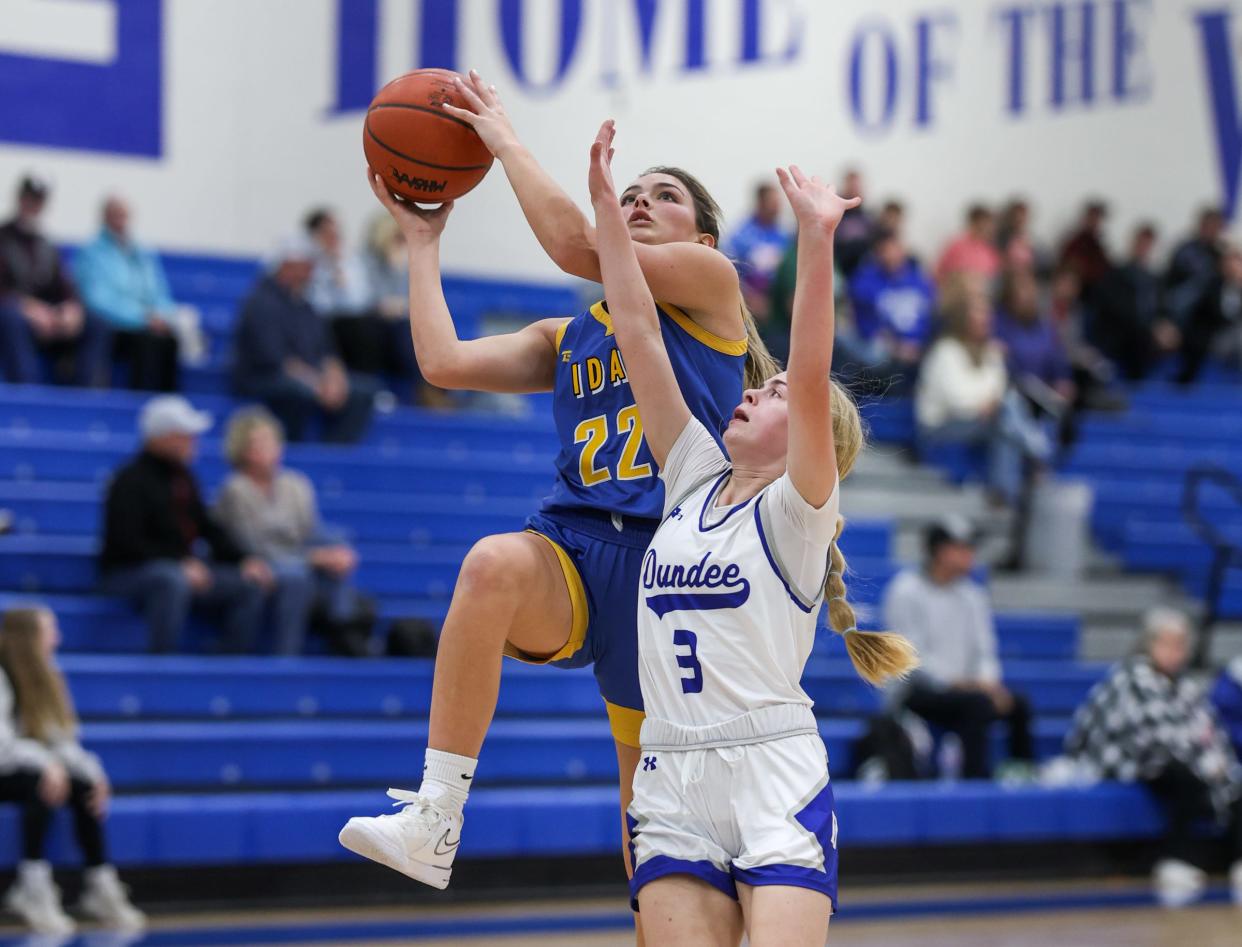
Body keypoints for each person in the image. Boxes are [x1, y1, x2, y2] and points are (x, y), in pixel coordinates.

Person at [338, 71, 779, 918]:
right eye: (636, 190)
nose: (643, 199)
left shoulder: (712, 287)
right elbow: (443, 363)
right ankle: (435, 813)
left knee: (649, 836)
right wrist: (423, 246)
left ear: (702, 234)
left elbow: (584, 245)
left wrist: (501, 137)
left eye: (666, 196)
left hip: (673, 574)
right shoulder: (569, 332)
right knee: (491, 565)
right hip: (575, 549)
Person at [591, 129, 917, 943]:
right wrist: (605, 207)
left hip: (771, 771)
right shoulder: (692, 476)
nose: (754, 392)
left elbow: (808, 371)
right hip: (670, 775)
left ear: (812, 440)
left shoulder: (797, 513)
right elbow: (636, 327)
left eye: (768, 395)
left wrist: (816, 238)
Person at [1065, 608, 1242, 908]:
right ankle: (1176, 858)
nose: (1177, 652)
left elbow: (1210, 731)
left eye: (1182, 644)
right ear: (1149, 643)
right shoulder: (1131, 678)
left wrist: (1217, 760)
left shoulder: (1185, 686)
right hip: (1125, 760)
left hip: (1180, 758)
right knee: (1183, 776)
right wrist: (1203, 761)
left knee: (1232, 776)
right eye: (1169, 643)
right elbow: (1146, 736)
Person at [0, 606, 145, 933]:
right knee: (42, 781)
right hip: (6, 765)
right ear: (28, 638)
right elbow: (2, 745)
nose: (58, 638)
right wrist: (46, 763)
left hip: (23, 765)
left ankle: (99, 882)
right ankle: (31, 886)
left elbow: (61, 740)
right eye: (50, 631)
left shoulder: (47, 675)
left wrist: (93, 772)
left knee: (81, 784)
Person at [98, 395, 271, 653]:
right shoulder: (129, 481)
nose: (193, 442)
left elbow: (208, 527)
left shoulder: (185, 478)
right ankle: (162, 663)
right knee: (171, 580)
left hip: (179, 568)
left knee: (248, 585)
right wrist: (178, 561)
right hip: (129, 573)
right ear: (162, 437)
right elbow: (125, 544)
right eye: (185, 435)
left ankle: (229, 661)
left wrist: (244, 559)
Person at [883, 517, 1034, 780]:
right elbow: (911, 657)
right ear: (940, 552)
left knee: (1018, 705)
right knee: (976, 705)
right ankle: (974, 780)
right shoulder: (905, 591)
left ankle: (1021, 776)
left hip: (969, 690)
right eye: (963, 548)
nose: (971, 555)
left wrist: (988, 683)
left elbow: (984, 650)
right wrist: (960, 684)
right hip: (916, 692)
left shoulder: (973, 596)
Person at [214, 407, 362, 655]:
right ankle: (286, 655)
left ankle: (343, 633)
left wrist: (335, 552)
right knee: (296, 577)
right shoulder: (235, 489)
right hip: (260, 563)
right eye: (260, 443)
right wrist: (313, 558)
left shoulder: (296, 483)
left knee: (340, 551)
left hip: (297, 557)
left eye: (272, 440)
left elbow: (311, 530)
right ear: (243, 449)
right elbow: (251, 544)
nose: (270, 448)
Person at [232, 234, 378, 443]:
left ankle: (335, 452)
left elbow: (327, 350)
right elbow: (274, 359)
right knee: (297, 393)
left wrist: (335, 379)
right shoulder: (260, 303)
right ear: (287, 265)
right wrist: (317, 384)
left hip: (310, 377)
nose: (311, 271)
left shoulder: (306, 304)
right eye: (306, 265)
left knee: (365, 391)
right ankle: (293, 447)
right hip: (263, 377)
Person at [916, 284, 1051, 506]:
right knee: (1006, 419)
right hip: (939, 427)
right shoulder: (945, 350)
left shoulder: (992, 352)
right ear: (964, 318)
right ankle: (1036, 450)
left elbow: (998, 390)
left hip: (984, 421)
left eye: (987, 314)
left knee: (1005, 422)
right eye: (979, 314)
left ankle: (1002, 492)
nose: (986, 320)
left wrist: (990, 403)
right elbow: (956, 399)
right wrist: (987, 403)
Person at [0, 176, 109, 386]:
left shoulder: (46, 245)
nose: (33, 206)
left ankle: (84, 395)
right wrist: (29, 308)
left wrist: (71, 308)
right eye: (30, 199)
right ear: (20, 199)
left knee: (96, 323)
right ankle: (27, 393)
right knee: (12, 318)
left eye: (39, 201)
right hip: (15, 316)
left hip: (47, 319)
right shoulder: (3, 238)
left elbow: (63, 285)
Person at [73, 195, 189, 391]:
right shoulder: (91, 253)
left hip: (148, 323)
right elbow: (98, 300)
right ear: (105, 218)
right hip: (116, 327)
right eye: (116, 216)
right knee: (147, 341)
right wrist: (142, 318)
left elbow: (160, 292)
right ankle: (139, 401)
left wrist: (163, 316)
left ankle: (168, 402)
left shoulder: (143, 254)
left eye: (124, 216)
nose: (120, 222)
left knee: (170, 341)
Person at [840, 227, 935, 390]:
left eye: (894, 249)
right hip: (886, 348)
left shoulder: (919, 280)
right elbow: (866, 325)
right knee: (874, 351)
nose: (890, 255)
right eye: (884, 251)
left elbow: (930, 319)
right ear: (877, 254)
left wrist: (920, 345)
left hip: (918, 348)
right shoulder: (865, 281)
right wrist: (897, 347)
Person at [365, 212, 435, 405]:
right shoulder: (367, 262)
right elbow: (369, 299)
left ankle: (430, 386)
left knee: (412, 329)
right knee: (403, 331)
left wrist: (398, 268)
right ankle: (426, 387)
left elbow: (409, 301)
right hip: (372, 322)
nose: (401, 243)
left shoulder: (402, 263)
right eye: (397, 238)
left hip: (397, 323)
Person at [1094, 224, 1181, 381]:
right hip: (1122, 333)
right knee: (1138, 338)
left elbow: (1162, 307)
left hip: (1149, 332)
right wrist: (1151, 328)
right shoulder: (1116, 275)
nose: (1144, 248)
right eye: (1141, 243)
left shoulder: (1155, 278)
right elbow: (1117, 311)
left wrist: (1166, 325)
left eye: (1148, 244)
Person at [725, 182, 792, 324]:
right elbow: (729, 269)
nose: (777, 207)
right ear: (760, 202)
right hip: (750, 306)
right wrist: (748, 296)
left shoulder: (783, 234)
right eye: (773, 202)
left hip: (779, 307)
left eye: (778, 202)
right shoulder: (741, 235)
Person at [1177, 245, 1242, 385]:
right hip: (1215, 337)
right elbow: (1213, 315)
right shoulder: (1212, 286)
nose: (1232, 268)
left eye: (1236, 264)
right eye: (1228, 264)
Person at [1165, 207, 1226, 325]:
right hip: (1182, 313)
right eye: (1210, 225)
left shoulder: (1220, 255)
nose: (1213, 230)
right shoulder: (1185, 251)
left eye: (1216, 226)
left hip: (1208, 316)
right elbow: (1171, 282)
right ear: (1201, 225)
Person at [935, 205, 1002, 286]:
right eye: (982, 224)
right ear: (972, 223)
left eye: (989, 225)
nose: (987, 229)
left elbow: (996, 279)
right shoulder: (956, 246)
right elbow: (938, 273)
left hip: (984, 295)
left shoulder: (990, 251)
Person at [833, 167, 873, 278]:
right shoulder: (836, 212)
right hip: (838, 265)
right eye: (851, 184)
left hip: (861, 268)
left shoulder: (867, 216)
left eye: (857, 185)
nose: (854, 188)